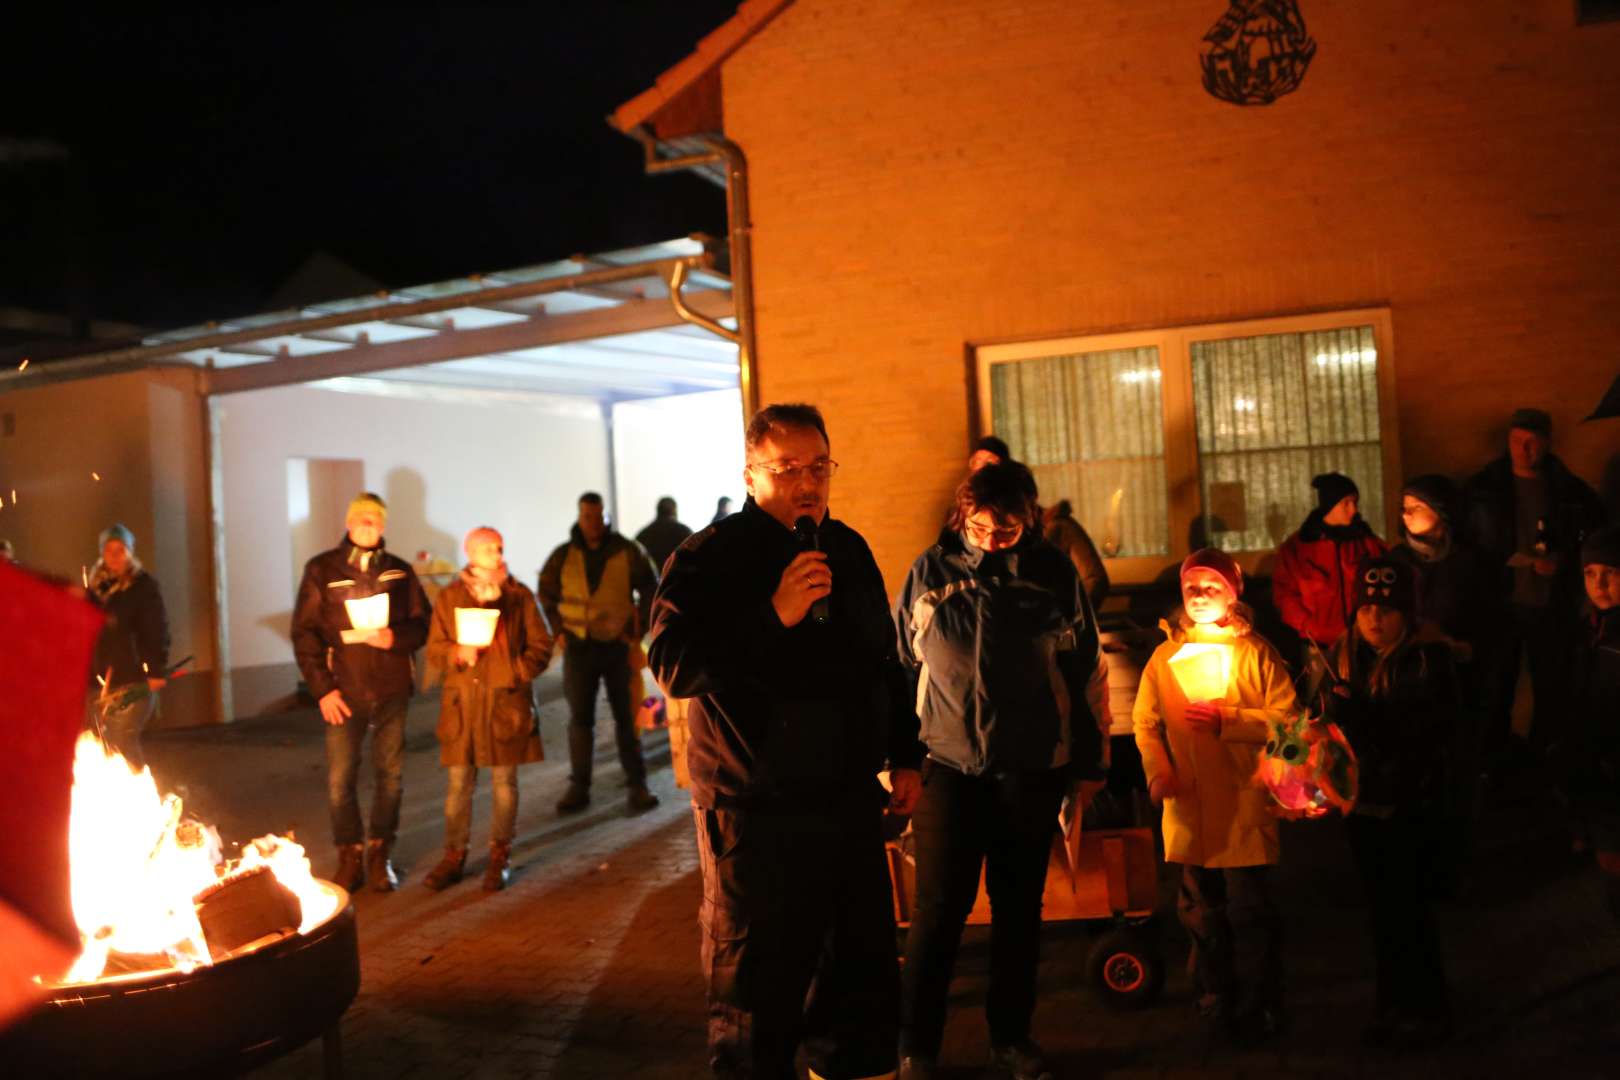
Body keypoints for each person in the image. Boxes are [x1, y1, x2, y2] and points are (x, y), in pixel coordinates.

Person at [647, 402, 922, 1080]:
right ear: (751, 474)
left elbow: (881, 661)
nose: (809, 482)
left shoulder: (848, 549)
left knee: (859, 982)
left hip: (849, 807)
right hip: (755, 811)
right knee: (756, 995)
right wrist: (774, 614)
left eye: (819, 466)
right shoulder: (708, 557)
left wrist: (905, 752)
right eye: (788, 468)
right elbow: (674, 665)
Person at [893, 461, 1108, 1080]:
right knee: (936, 914)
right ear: (963, 516)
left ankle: (1011, 1039)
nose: (992, 539)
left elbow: (1084, 669)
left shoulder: (1052, 576)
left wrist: (1092, 761)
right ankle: (917, 1048)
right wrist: (899, 758)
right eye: (982, 527)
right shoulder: (928, 575)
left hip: (1032, 768)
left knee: (1019, 913)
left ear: (1028, 521)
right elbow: (903, 665)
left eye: (1007, 531)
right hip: (948, 767)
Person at [1133, 548, 1298, 1040]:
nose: (1200, 595)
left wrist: (1230, 722)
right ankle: (1214, 996)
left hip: (1244, 801)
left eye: (1211, 586)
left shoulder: (1256, 653)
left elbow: (1289, 724)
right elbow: (1145, 722)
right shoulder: (1165, 657)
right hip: (1189, 803)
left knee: (1250, 911)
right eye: (1192, 588)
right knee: (1200, 911)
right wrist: (1158, 770)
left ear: (1233, 592)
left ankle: (1264, 1000)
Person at [1305, 556, 1458, 1048]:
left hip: (1410, 806)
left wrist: (1362, 717)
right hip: (1363, 808)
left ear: (1406, 615)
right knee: (1380, 912)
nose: (1374, 619)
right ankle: (1391, 1003)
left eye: (1386, 610)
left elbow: (1422, 735)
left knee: (1411, 909)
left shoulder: (1424, 661)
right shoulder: (1345, 657)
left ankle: (1429, 1008)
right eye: (1366, 609)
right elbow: (1325, 729)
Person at [292, 492, 430, 894]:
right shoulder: (322, 569)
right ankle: (349, 855)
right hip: (344, 691)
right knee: (340, 780)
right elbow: (305, 633)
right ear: (349, 523)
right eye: (361, 519)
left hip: (391, 689)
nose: (368, 525)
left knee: (391, 777)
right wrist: (322, 690)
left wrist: (395, 638)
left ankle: (380, 853)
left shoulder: (400, 572)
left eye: (375, 519)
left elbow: (423, 625)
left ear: (383, 526)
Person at [1463, 408, 1606, 758]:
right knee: (1497, 686)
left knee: (1552, 687)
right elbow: (1471, 545)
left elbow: (1595, 539)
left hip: (1552, 605)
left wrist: (1565, 564)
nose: (1524, 450)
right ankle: (1495, 761)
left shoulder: (1568, 491)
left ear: (1547, 444)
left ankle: (1546, 760)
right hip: (1501, 604)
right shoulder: (1485, 489)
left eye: (1532, 443)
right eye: (1517, 441)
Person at [422, 527, 553, 892]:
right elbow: (433, 650)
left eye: (499, 547)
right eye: (487, 548)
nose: (496, 553)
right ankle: (454, 855)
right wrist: (455, 653)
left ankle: (500, 853)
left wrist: (514, 671)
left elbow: (541, 646)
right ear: (469, 552)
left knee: (503, 784)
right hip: (463, 705)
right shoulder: (450, 597)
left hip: (504, 704)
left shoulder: (518, 595)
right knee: (459, 784)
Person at [1387, 474, 1498, 892]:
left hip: (1460, 684)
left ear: (1441, 513)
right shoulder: (1398, 562)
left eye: (1416, 507)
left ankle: (1453, 863)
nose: (1406, 514)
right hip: (1411, 687)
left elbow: (1490, 621)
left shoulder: (1469, 564)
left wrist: (1460, 645)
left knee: (1457, 774)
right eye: (1404, 507)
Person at [539, 492, 661, 814]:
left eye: (598, 516)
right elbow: (546, 594)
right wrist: (558, 630)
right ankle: (579, 787)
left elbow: (652, 586)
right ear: (580, 517)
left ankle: (638, 785)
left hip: (617, 648)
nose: (594, 522)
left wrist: (637, 629)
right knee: (580, 719)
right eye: (587, 516)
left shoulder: (627, 551)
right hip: (579, 648)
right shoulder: (563, 556)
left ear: (606, 517)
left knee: (627, 718)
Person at [1551, 526, 1620, 922]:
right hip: (1593, 763)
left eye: (1610, 572)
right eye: (1591, 574)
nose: (1600, 583)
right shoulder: (1585, 629)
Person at [1273, 472, 1387, 657]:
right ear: (1330, 505)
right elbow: (1285, 596)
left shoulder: (1366, 543)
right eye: (1346, 503)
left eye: (1355, 503)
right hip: (1318, 648)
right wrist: (1311, 627)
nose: (1354, 510)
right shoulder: (1297, 548)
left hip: (1365, 644)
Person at [85, 523, 170, 770]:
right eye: (109, 550)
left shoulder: (143, 587)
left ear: (130, 552)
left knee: (122, 741)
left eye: (120, 549)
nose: (114, 556)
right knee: (99, 741)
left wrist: (155, 670)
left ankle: (138, 797)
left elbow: (157, 629)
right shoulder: (94, 588)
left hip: (132, 678)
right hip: (97, 681)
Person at [1042, 499, 1111, 609]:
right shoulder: (1060, 522)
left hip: (1090, 586)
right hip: (1091, 585)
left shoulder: (1055, 526)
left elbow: (1045, 563)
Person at [636, 496, 694, 573]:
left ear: (658, 510)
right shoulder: (685, 532)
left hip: (653, 583)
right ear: (675, 510)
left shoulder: (643, 535)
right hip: (678, 581)